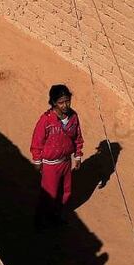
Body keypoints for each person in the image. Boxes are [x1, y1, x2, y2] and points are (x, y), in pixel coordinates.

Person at [30, 84, 84, 226]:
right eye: (61, 102)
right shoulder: (46, 121)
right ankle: (40, 220)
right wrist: (37, 161)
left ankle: (57, 216)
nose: (65, 105)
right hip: (50, 165)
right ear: (54, 102)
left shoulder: (73, 117)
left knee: (66, 191)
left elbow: (77, 137)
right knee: (49, 194)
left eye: (67, 101)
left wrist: (77, 155)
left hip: (66, 162)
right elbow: (37, 142)